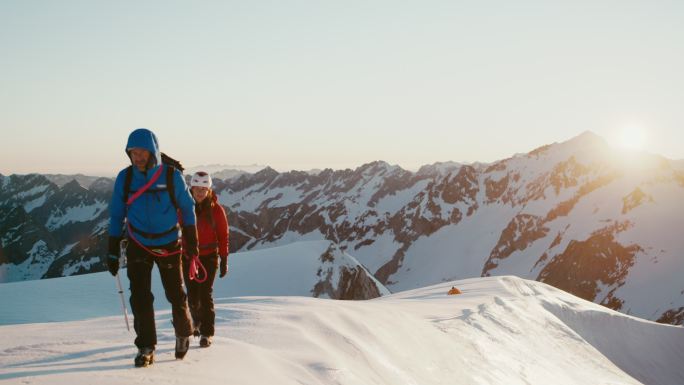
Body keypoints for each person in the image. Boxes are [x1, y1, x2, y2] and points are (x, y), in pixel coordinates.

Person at [106, 128, 199, 367]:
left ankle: (183, 333)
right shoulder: (125, 178)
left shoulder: (171, 176)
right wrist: (112, 247)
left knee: (175, 294)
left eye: (142, 152)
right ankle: (146, 346)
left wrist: (192, 242)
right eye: (133, 152)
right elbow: (116, 214)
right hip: (138, 244)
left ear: (153, 151)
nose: (137, 157)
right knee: (140, 298)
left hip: (168, 243)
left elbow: (188, 209)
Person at [183, 171, 230, 348]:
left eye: (204, 189)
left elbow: (223, 235)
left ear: (209, 190)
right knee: (192, 296)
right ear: (192, 188)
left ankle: (207, 333)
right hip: (188, 257)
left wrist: (224, 259)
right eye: (197, 189)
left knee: (205, 294)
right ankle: (196, 324)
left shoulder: (216, 210)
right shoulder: (185, 208)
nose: (200, 192)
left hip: (209, 257)